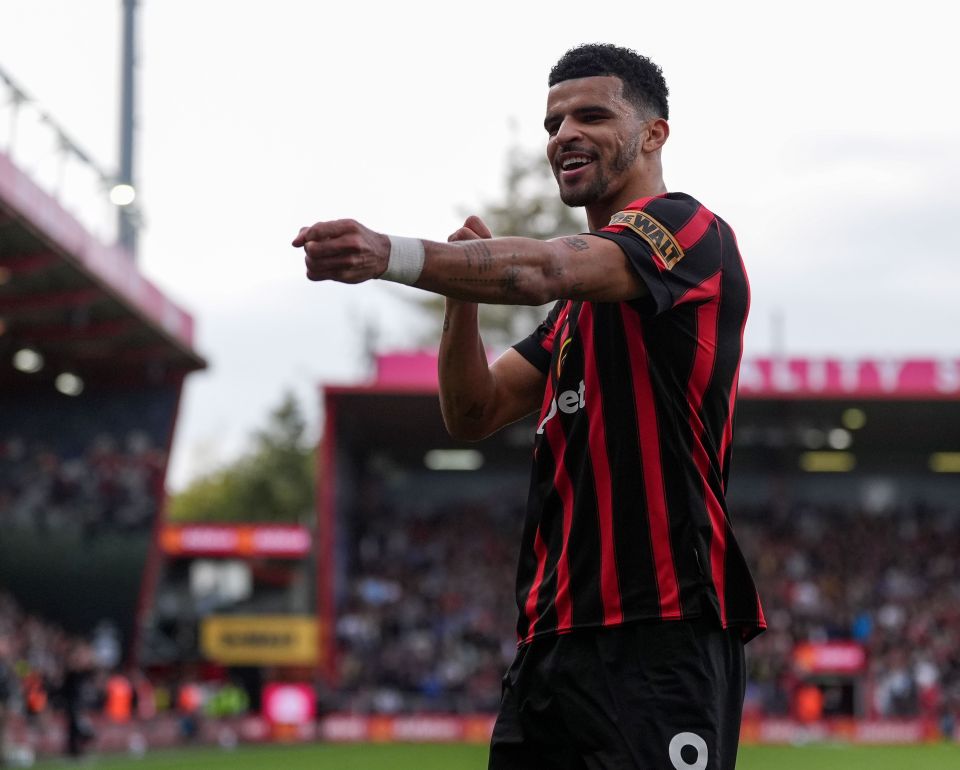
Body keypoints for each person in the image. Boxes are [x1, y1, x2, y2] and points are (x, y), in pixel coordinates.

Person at [294, 43, 765, 770]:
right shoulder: (574, 320)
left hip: (660, 632)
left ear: (653, 133)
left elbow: (546, 268)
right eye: (552, 122)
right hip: (551, 645)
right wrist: (460, 298)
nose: (563, 135)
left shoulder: (688, 231)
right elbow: (472, 412)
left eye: (590, 115)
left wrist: (393, 255)